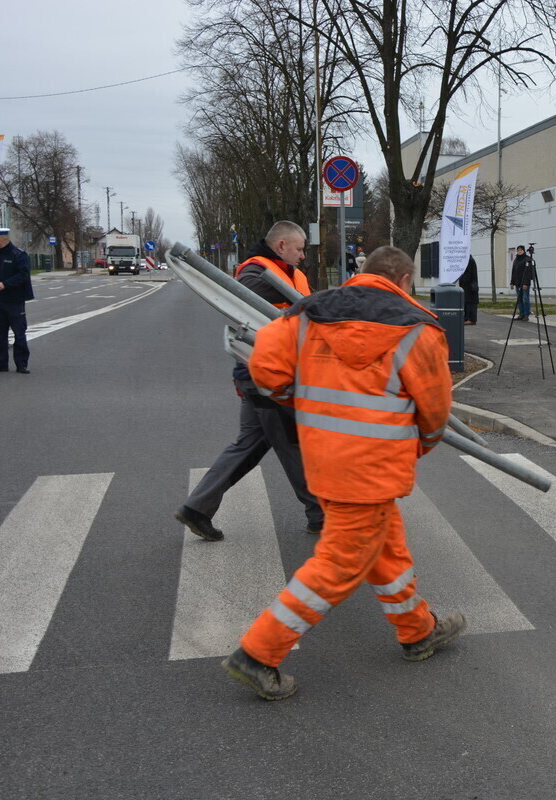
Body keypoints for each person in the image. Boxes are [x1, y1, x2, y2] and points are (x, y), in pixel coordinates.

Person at [222, 244, 466, 700]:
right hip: (374, 468)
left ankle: (417, 630)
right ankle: (258, 653)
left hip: (323, 460)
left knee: (385, 546)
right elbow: (435, 413)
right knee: (339, 564)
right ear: (404, 281)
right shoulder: (419, 329)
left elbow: (265, 368)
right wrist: (416, 447)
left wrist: (304, 406)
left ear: (363, 272)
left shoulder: (309, 312)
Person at [174, 221, 324, 541]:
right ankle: (319, 513)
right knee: (294, 444)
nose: (303, 255)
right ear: (281, 246)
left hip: (266, 372)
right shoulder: (256, 270)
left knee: (250, 446)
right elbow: (246, 294)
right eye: (299, 249)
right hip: (268, 375)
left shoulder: (288, 271)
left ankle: (197, 508)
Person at [0, 227, 34, 374]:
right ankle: (0, 362)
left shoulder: (18, 255)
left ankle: (21, 364)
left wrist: (5, 284)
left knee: (19, 333)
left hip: (14, 301)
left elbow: (23, 275)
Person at [509, 244, 534, 322]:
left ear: (524, 251)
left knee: (525, 299)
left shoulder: (527, 259)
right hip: (517, 283)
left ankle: (526, 315)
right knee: (519, 299)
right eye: (518, 250)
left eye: (521, 250)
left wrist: (526, 283)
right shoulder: (516, 260)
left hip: (524, 283)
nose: (519, 251)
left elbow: (528, 272)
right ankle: (521, 314)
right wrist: (512, 282)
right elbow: (513, 272)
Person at [458, 255, 479, 325]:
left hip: (470, 285)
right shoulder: (468, 260)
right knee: (467, 302)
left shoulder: (469, 261)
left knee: (470, 302)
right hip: (468, 285)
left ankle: (471, 319)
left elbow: (468, 274)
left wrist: (463, 283)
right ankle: (467, 318)